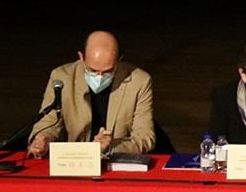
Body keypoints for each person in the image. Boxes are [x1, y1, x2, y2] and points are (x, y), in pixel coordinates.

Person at [27, 30, 155, 156]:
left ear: (119, 60)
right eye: (92, 70)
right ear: (81, 57)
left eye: (108, 71)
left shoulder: (139, 81)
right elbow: (48, 123)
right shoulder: (62, 78)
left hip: (115, 160)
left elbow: (145, 137)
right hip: (74, 158)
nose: (99, 77)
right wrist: (43, 140)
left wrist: (110, 146)